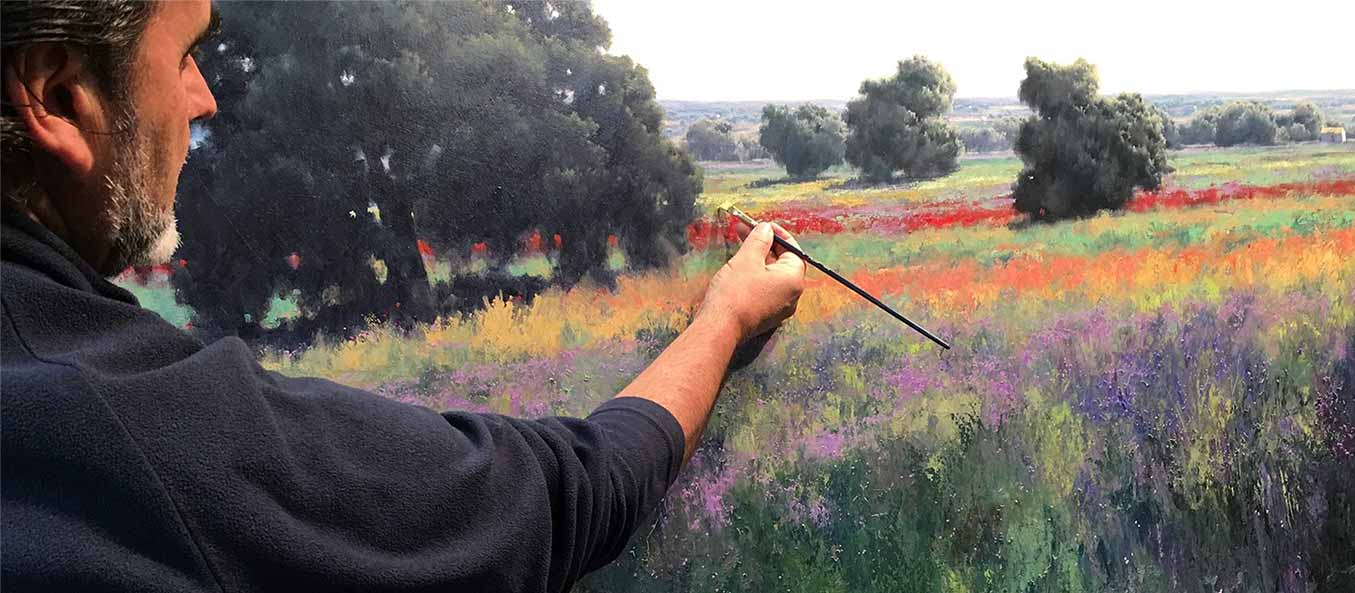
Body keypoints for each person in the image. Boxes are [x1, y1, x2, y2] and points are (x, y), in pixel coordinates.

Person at [0, 1, 805, 591]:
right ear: (61, 95)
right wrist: (727, 317)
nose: (204, 98)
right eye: (182, 55)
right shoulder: (135, 428)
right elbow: (563, 497)